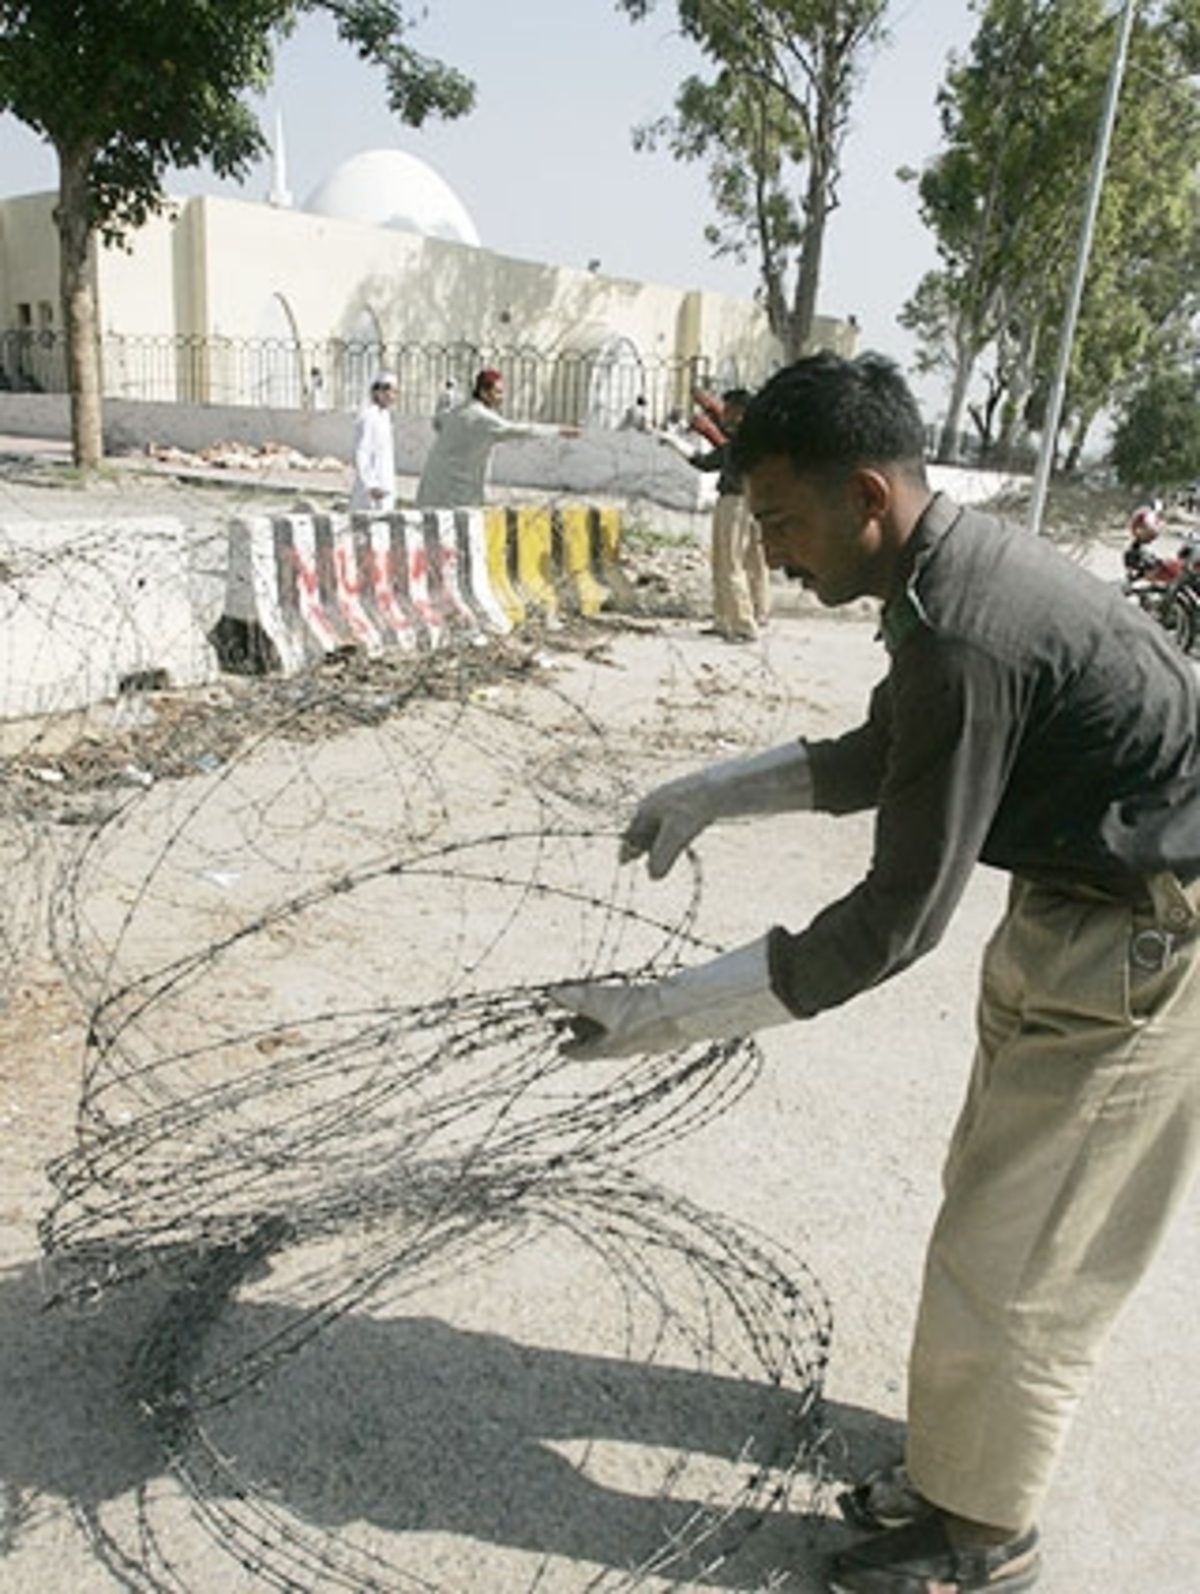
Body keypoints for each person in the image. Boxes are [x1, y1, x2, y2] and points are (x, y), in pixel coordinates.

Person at [551, 351, 1200, 1594]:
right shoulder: (938, 577)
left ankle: (985, 1538)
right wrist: (715, 791)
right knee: (988, 1209)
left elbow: (893, 923)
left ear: (865, 495)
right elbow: (885, 751)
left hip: (1145, 937)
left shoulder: (962, 628)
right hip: (1080, 908)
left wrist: (658, 1016)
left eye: (784, 524)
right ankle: (960, 1469)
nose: (778, 555)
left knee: (1026, 1254)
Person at [661, 386, 771, 642]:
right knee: (751, 561)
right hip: (751, 502)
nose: (725, 414)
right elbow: (715, 454)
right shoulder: (756, 437)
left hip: (735, 502)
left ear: (741, 412)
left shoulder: (745, 438)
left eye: (729, 409)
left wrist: (678, 442)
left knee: (728, 562)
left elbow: (711, 462)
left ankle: (743, 624)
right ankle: (739, 616)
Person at [416, 366, 579, 508]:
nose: (501, 397)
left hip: (430, 492)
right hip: (456, 497)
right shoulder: (483, 418)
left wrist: (446, 396)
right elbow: (522, 430)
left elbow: (438, 421)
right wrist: (558, 430)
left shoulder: (460, 410)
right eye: (497, 392)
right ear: (484, 392)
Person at [349, 372, 398, 512]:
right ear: (379, 392)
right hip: (371, 487)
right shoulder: (368, 417)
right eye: (390, 391)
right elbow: (361, 451)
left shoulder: (385, 416)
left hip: (385, 480)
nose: (393, 397)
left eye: (395, 392)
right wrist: (371, 485)